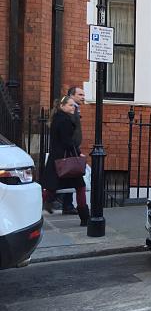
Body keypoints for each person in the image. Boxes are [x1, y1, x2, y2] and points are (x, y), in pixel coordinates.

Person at [41, 96, 90, 226]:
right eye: (70, 105)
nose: (73, 107)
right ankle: (85, 218)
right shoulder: (64, 120)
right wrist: (78, 153)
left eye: (73, 105)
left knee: (51, 188)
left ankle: (32, 209)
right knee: (80, 187)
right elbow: (68, 141)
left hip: (56, 160)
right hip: (66, 160)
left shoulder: (57, 118)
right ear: (62, 106)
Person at [60, 86, 85, 215]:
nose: (83, 97)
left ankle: (68, 205)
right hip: (70, 150)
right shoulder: (70, 110)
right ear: (72, 95)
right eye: (80, 94)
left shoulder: (75, 109)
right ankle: (82, 212)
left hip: (72, 149)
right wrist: (76, 150)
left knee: (69, 177)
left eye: (83, 94)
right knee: (77, 181)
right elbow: (68, 133)